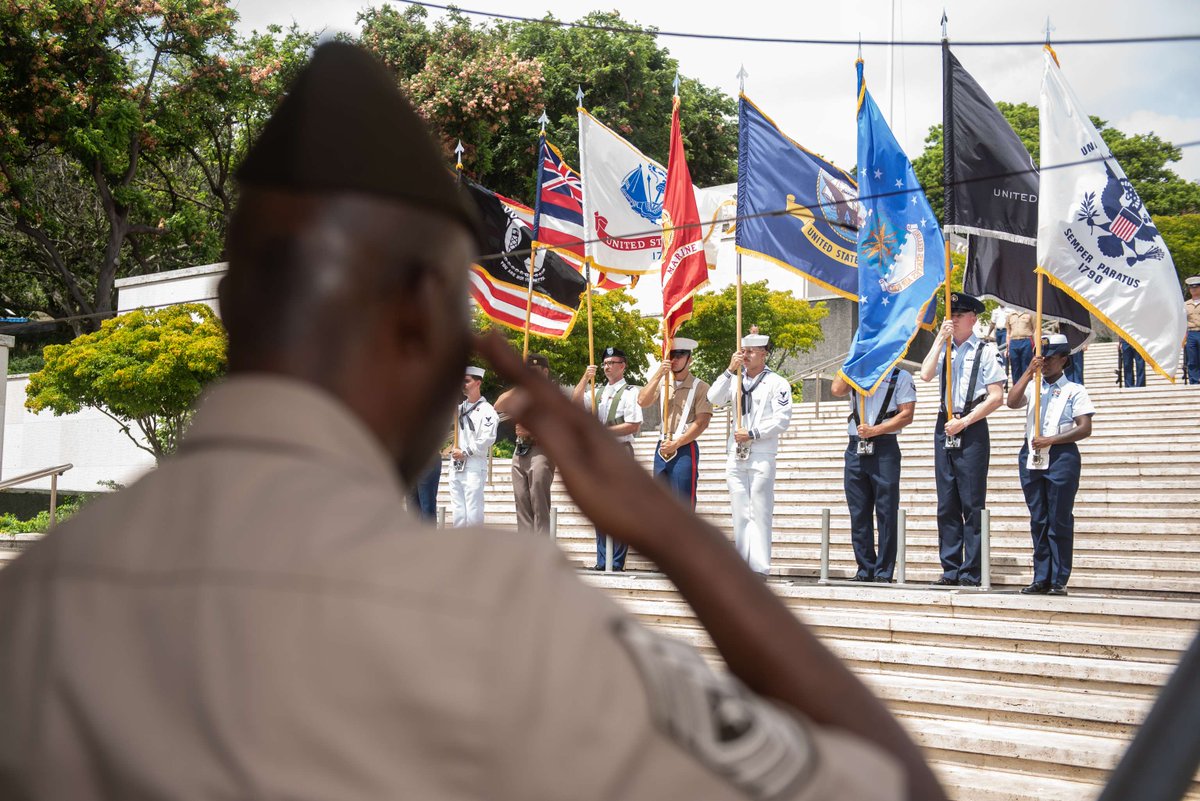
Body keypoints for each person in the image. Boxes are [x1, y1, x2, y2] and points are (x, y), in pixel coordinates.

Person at [0, 43, 947, 801]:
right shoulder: (502, 613)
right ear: (423, 312)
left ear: (233, 301)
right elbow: (892, 784)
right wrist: (667, 535)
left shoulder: (34, 604)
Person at [920, 292, 1005, 587]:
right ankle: (951, 567)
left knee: (971, 502)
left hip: (971, 426)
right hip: (945, 423)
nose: (952, 320)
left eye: (958, 315)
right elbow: (926, 375)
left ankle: (972, 570)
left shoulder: (985, 350)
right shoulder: (944, 349)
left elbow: (996, 397)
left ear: (973, 318)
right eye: (950, 315)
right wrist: (936, 341)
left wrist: (965, 421)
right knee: (946, 503)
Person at [1006, 334, 1095, 596]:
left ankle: (1059, 578)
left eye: (1050, 357)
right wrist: (1026, 372)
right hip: (1032, 456)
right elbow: (1011, 402)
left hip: (1060, 456)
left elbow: (1085, 428)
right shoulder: (1034, 386)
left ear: (1064, 359)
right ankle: (1041, 576)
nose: (1044, 362)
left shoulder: (1074, 390)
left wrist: (1052, 439)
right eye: (1041, 357)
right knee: (1039, 519)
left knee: (1059, 519)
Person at [707, 333, 793, 577]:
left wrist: (753, 433)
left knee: (759, 511)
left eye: (751, 351)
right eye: (743, 351)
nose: (745, 356)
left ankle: (759, 567)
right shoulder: (735, 380)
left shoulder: (777, 383)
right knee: (740, 511)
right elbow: (713, 398)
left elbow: (782, 420)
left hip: (761, 452)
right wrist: (728, 371)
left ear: (764, 353)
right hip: (736, 453)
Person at [830, 367, 917, 583]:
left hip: (884, 444)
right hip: (855, 446)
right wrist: (852, 361)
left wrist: (876, 430)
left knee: (886, 511)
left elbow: (906, 415)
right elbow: (836, 389)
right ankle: (865, 568)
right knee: (858, 511)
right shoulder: (856, 372)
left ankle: (883, 571)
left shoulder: (900, 376)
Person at [573, 346, 643, 570]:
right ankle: (602, 560)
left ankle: (616, 561)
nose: (607, 367)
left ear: (622, 366)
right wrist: (586, 377)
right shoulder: (597, 391)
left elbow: (634, 424)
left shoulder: (631, 392)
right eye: (605, 363)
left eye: (612, 363)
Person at [636, 337, 713, 508]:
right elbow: (642, 401)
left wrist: (676, 443)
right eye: (671, 356)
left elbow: (702, 423)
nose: (674, 360)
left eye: (679, 356)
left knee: (683, 502)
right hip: (662, 446)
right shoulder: (663, 383)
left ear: (689, 359)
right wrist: (658, 374)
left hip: (684, 447)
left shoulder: (701, 387)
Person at [495, 353, 556, 534]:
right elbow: (498, 405)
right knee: (521, 501)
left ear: (545, 372)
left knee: (539, 502)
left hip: (541, 450)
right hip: (520, 449)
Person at [449, 365, 497, 527]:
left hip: (473, 465)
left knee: (473, 510)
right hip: (456, 465)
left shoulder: (487, 411)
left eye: (467, 381)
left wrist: (466, 452)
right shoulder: (459, 408)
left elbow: (487, 438)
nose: (463, 385)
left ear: (478, 383)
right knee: (458, 511)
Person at [1006, 307, 1035, 382]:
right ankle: (1016, 390)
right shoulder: (1010, 315)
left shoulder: (1030, 313)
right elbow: (1008, 332)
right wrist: (1007, 348)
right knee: (1015, 368)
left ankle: (1027, 389)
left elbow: (1035, 330)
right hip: (1013, 342)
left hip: (1026, 340)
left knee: (1027, 367)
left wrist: (1037, 346)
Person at [1185, 276, 1200, 384]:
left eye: (1196, 287)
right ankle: (1194, 381)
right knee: (1192, 359)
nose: (1193, 290)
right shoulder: (1185, 305)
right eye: (1191, 288)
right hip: (1191, 333)